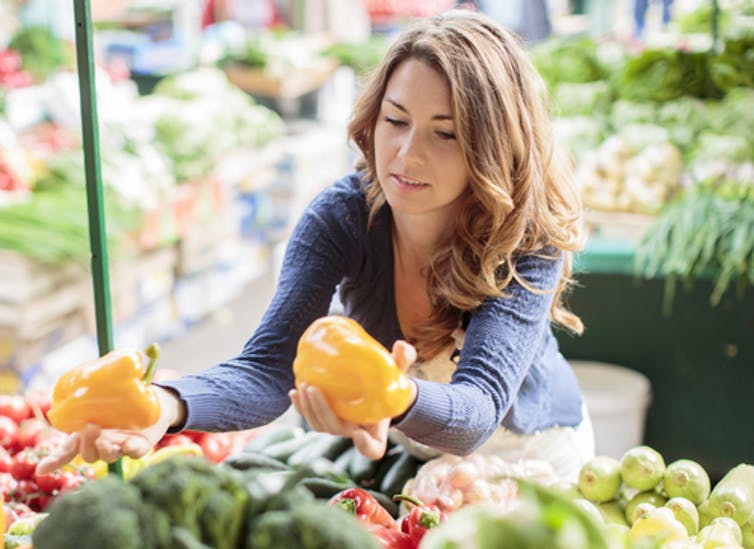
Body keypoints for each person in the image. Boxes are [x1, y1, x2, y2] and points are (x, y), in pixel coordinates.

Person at [37, 9, 594, 482]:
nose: (406, 155)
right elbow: (268, 371)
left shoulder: (526, 237)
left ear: (493, 146)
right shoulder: (344, 216)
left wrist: (386, 395)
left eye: (444, 134)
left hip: (530, 455)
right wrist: (163, 405)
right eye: (395, 120)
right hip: (414, 452)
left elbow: (477, 413)